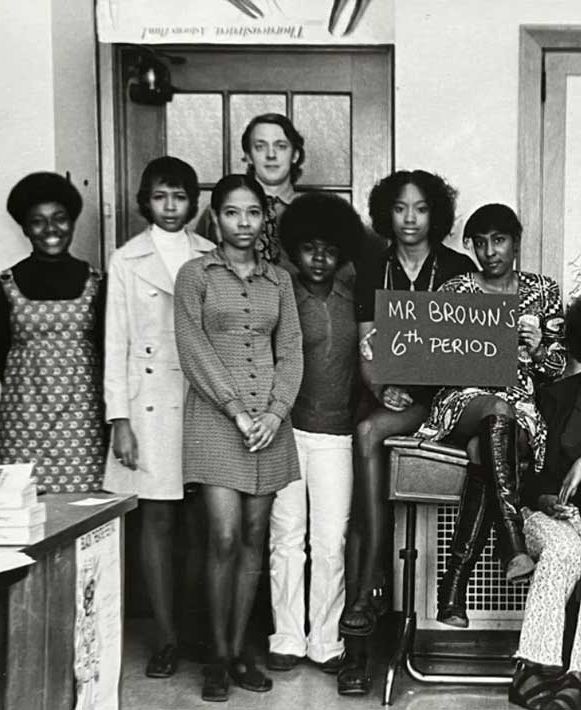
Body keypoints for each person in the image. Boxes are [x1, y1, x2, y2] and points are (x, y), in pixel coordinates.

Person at [336, 170, 476, 695]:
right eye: (400, 208)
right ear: (386, 214)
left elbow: (469, 352)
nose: (411, 219)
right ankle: (356, 649)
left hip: (441, 403)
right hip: (388, 397)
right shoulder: (372, 265)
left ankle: (370, 588)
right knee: (369, 430)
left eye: (420, 208)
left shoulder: (458, 268)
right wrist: (384, 390)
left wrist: (419, 392)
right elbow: (367, 347)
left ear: (435, 213)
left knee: (370, 443)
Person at [175, 173, 303, 702]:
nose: (243, 223)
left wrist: (274, 413)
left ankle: (240, 650)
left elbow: (291, 349)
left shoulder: (280, 281)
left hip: (269, 425)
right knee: (223, 537)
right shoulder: (195, 274)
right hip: (216, 421)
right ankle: (218, 657)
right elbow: (193, 347)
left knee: (255, 539)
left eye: (253, 213)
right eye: (232, 213)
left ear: (264, 218)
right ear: (216, 218)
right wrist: (236, 410)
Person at [415, 204, 565, 624]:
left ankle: (453, 587)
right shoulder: (455, 290)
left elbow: (557, 367)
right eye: (479, 243)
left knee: (487, 446)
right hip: (464, 397)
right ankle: (513, 545)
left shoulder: (543, 291)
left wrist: (536, 350)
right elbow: (430, 357)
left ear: (516, 242)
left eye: (498, 240)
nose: (489, 251)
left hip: (520, 403)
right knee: (495, 410)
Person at [104, 156, 214, 678]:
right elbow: (115, 343)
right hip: (148, 406)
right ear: (144, 201)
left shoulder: (211, 254)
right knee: (157, 522)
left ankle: (196, 631)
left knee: (202, 524)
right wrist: (118, 419)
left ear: (195, 204)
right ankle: (166, 637)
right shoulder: (127, 259)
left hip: (204, 400)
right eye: (160, 197)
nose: (170, 208)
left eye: (180, 198)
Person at [266, 192, 362, 674]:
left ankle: (326, 640)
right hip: (286, 432)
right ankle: (286, 637)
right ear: (293, 249)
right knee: (286, 538)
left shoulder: (354, 297)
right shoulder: (281, 294)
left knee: (330, 541)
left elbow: (374, 361)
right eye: (308, 248)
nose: (319, 258)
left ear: (342, 250)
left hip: (336, 436)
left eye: (328, 248)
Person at [0, 172, 106, 493]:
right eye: (38, 221)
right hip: (23, 421)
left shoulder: (97, 283)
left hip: (82, 423)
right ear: (24, 227)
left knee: (83, 516)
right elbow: (0, 358)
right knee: (19, 516)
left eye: (60, 218)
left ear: (73, 221)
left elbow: (107, 353)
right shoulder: (2, 285)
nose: (51, 229)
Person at [506, 297, 581, 710]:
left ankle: (577, 679)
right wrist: (547, 496)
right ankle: (532, 667)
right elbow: (532, 475)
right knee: (565, 548)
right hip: (546, 517)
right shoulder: (555, 397)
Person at [197, 113, 305, 271]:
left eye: (281, 146)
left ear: (295, 155)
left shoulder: (313, 211)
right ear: (248, 156)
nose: (271, 155)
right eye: (260, 147)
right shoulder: (219, 210)